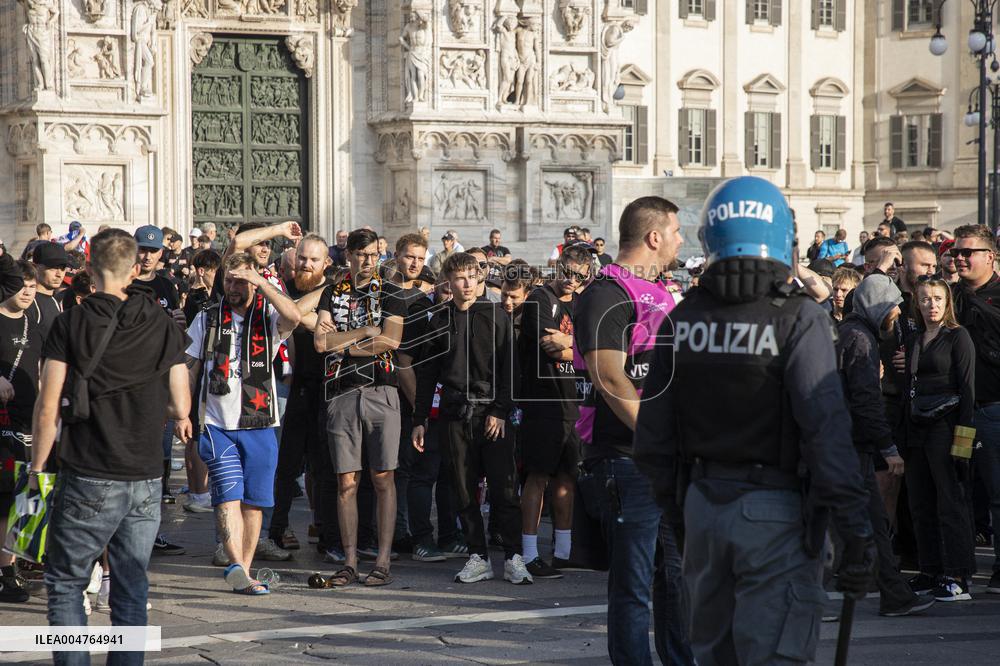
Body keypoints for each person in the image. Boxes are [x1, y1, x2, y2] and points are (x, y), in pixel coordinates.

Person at [633, 176, 875, 665]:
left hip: (702, 506)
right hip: (776, 512)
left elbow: (653, 438)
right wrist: (855, 530)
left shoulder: (682, 320)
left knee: (712, 655)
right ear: (782, 240)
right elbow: (826, 431)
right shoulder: (797, 318)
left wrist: (682, 516)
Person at [31, 228, 189, 655]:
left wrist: (36, 468)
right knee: (131, 587)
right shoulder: (160, 321)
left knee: (66, 583)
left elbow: (48, 407)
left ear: (87, 267)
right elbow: (180, 404)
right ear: (136, 268)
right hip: (144, 474)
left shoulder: (71, 321)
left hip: (88, 470)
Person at [573, 196, 687, 665]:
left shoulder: (660, 292)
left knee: (677, 580)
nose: (682, 240)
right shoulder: (606, 292)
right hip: (625, 459)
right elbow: (608, 375)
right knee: (634, 585)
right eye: (676, 231)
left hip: (662, 461)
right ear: (654, 237)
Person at [183, 252, 301, 594]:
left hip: (259, 422)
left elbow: (294, 315)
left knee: (254, 503)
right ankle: (234, 562)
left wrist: (260, 281)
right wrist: (182, 413)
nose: (233, 287)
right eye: (229, 280)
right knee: (228, 496)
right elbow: (189, 365)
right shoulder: (207, 316)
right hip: (216, 424)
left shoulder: (269, 315)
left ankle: (245, 573)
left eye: (240, 280)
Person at [412, 252, 529, 585]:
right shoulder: (439, 320)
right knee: (463, 490)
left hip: (492, 412)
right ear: (448, 282)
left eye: (472, 276)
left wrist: (501, 410)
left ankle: (513, 556)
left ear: (479, 279)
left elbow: (511, 369)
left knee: (505, 489)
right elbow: (426, 374)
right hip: (453, 414)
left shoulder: (496, 315)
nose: (467, 284)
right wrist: (419, 419)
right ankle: (478, 555)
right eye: (460, 278)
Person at [838, 274, 936, 616]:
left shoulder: (851, 334)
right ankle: (892, 594)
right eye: (893, 306)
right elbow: (866, 401)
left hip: (847, 443)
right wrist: (888, 448)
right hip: (853, 445)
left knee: (870, 521)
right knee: (868, 521)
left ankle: (893, 594)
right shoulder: (860, 340)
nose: (897, 313)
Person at [313, 229, 406, 588]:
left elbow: (390, 340)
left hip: (382, 389)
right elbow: (321, 343)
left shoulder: (391, 291)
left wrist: (348, 342)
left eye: (373, 254)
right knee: (345, 481)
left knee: (384, 477)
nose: (368, 261)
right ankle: (349, 560)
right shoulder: (331, 291)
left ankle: (382, 560)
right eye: (361, 254)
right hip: (340, 391)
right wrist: (365, 332)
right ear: (347, 256)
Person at [518, 244, 591, 579]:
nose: (571, 280)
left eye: (578, 275)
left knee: (567, 479)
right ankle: (529, 553)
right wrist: (575, 346)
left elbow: (590, 349)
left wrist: (569, 344)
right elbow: (549, 346)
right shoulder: (538, 298)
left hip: (572, 403)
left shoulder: (582, 302)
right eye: (567, 272)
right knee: (538, 477)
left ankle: (563, 552)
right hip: (542, 401)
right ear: (557, 267)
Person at [903, 277, 976, 601]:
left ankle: (959, 574)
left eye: (936, 298)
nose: (931, 304)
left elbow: (968, 392)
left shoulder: (958, 337)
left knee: (951, 502)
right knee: (920, 502)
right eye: (925, 299)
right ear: (916, 303)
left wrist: (963, 446)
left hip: (947, 427)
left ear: (947, 302)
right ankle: (930, 570)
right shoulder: (917, 337)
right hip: (917, 427)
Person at [948, 224, 1000, 592]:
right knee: (960, 487)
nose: (960, 258)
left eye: (969, 252)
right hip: (960, 417)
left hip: (993, 411)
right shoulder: (949, 297)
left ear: (990, 257)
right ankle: (959, 569)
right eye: (956, 253)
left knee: (998, 493)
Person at [0, 260, 38, 605]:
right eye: (22, 285)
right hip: (2, 422)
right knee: (4, 500)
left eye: (32, 287)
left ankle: (13, 567)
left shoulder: (35, 325)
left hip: (29, 422)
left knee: (24, 499)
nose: (27, 292)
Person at [30, 242, 68, 342]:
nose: (59, 274)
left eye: (63, 268)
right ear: (35, 267)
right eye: (53, 267)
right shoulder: (29, 301)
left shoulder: (55, 301)